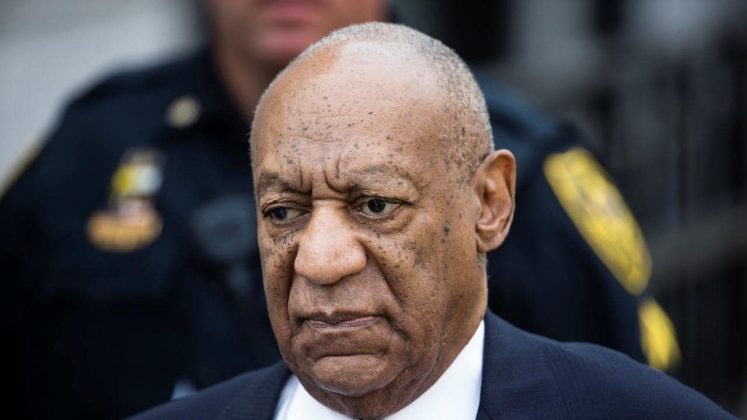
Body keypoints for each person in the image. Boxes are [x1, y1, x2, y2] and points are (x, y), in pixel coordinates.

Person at [0, 1, 674, 418]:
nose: (321, 261)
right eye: (282, 210)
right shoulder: (90, 152)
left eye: (377, 205)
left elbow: (614, 386)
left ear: (490, 202)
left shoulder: (501, 155)